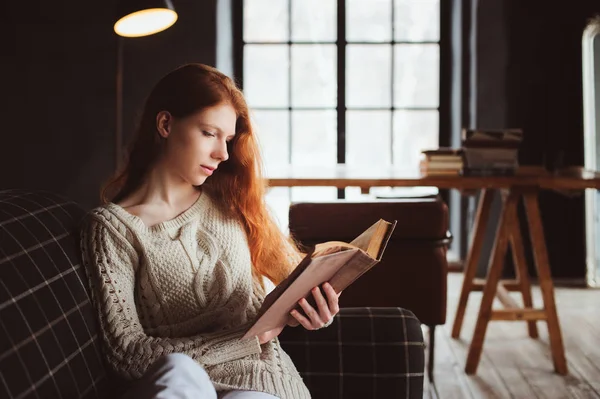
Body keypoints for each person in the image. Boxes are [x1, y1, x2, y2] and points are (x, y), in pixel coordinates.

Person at [79, 63, 340, 399]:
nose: (223, 153)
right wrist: (244, 339)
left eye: (228, 139)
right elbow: (127, 354)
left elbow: (298, 280)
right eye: (209, 133)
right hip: (179, 386)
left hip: (260, 385)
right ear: (165, 124)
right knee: (177, 370)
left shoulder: (235, 204)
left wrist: (318, 311)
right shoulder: (112, 229)